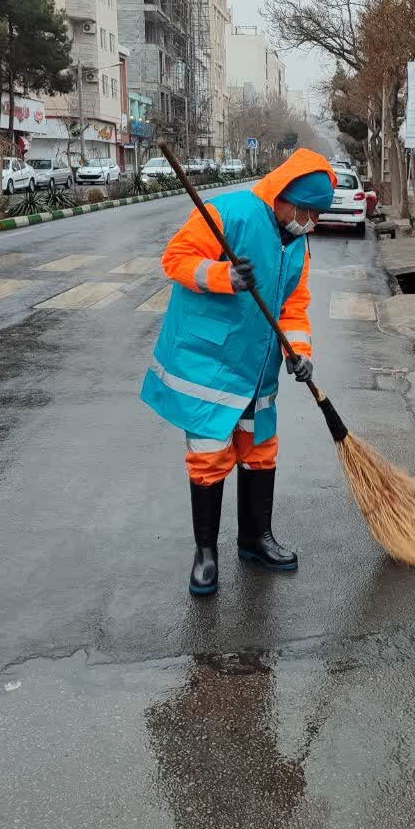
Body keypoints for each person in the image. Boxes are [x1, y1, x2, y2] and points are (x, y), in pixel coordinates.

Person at [141, 148, 337, 597]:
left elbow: (294, 306)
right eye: (305, 212)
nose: (310, 222)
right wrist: (222, 276)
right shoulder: (228, 214)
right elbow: (177, 258)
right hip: (209, 361)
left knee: (260, 449)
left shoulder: (298, 245)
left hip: (259, 366)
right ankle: (205, 554)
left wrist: (299, 352)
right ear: (283, 198)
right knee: (209, 454)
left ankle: (254, 539)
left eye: (316, 216)